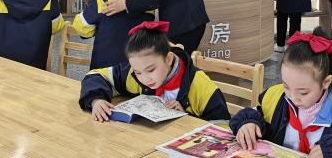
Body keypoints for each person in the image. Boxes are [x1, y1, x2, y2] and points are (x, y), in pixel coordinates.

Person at [230, 28, 332, 158]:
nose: (292, 97)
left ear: (326, 82)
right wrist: (248, 123)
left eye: (303, 92)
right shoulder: (278, 97)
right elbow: (258, 114)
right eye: (286, 86)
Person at [79, 21, 230, 122]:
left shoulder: (200, 86)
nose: (145, 79)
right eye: (138, 72)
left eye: (151, 70)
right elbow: (96, 75)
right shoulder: (134, 74)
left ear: (168, 59)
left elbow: (223, 127)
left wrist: (188, 117)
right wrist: (96, 100)